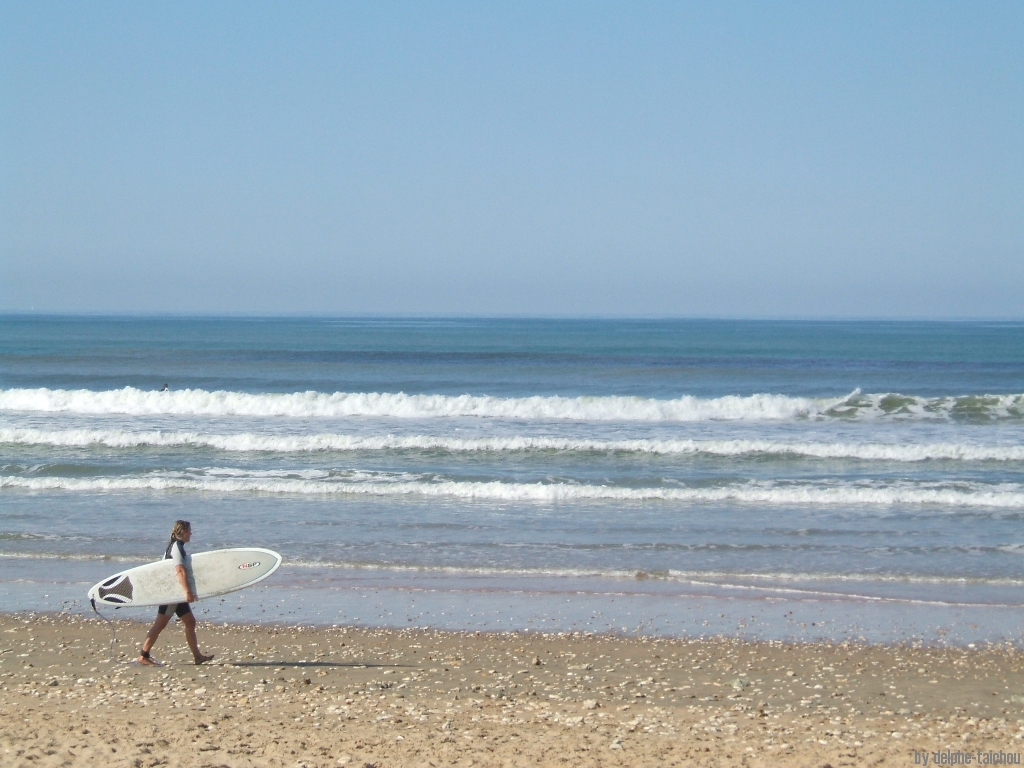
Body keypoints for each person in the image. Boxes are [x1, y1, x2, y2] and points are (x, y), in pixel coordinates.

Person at [138, 520, 214, 666]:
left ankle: (197, 656)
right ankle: (143, 655)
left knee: (190, 622)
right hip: (173, 595)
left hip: (176, 593)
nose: (191, 533)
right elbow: (179, 570)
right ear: (184, 531)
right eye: (189, 531)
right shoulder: (176, 547)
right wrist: (188, 592)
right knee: (160, 624)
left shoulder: (174, 546)